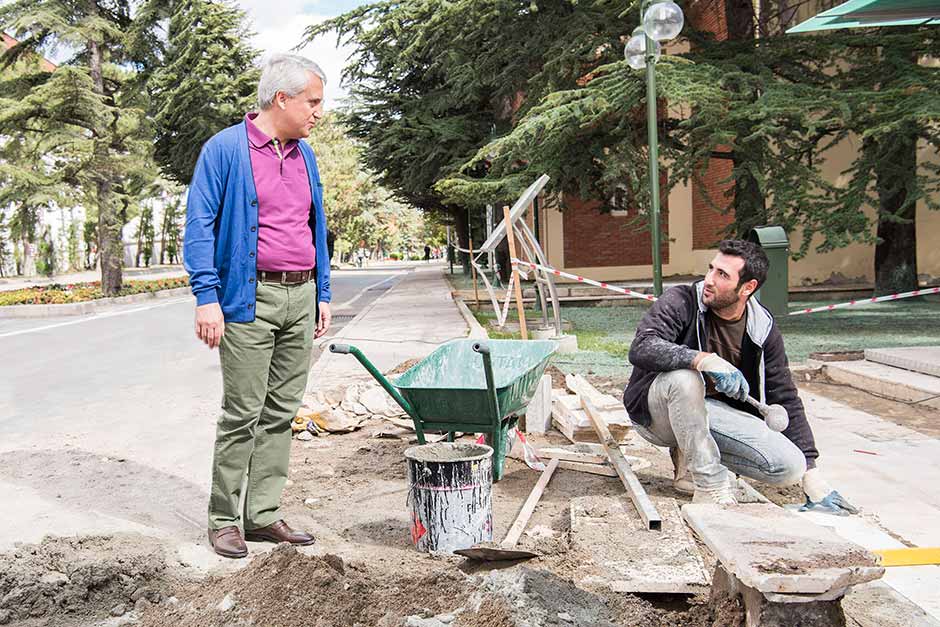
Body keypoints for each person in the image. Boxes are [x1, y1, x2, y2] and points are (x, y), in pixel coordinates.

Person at [184, 53, 332, 558]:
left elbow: (317, 228)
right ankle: (224, 518)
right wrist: (207, 297)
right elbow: (199, 225)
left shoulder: (305, 155)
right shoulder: (226, 150)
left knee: (281, 412)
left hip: (301, 293)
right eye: (312, 102)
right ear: (281, 98)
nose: (318, 112)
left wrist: (323, 293)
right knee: (243, 412)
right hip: (249, 299)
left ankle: (262, 514)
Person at [623, 239, 856, 513]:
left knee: (789, 467)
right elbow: (642, 347)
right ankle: (710, 485)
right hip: (657, 413)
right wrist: (702, 359)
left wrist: (811, 471)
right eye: (711, 269)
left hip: (710, 413)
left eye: (722, 275)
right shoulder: (682, 301)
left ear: (748, 287)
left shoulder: (761, 327)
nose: (709, 280)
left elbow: (784, 395)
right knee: (686, 379)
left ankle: (696, 457)